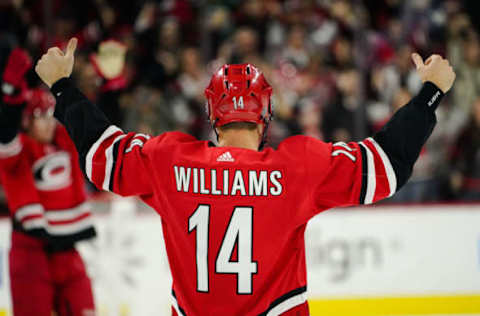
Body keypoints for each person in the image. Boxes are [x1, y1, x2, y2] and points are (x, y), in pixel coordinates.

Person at [35, 38, 455, 315]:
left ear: (212, 115)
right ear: (266, 114)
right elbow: (386, 163)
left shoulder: (168, 160)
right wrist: (429, 94)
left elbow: (102, 154)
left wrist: (63, 87)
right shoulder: (297, 167)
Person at [0, 48, 96, 316]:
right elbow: (5, 134)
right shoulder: (19, 151)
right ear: (27, 120)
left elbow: (91, 129)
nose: (47, 123)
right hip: (31, 251)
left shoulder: (63, 142)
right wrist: (10, 97)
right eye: (39, 116)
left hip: (68, 250)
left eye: (49, 115)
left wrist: (107, 87)